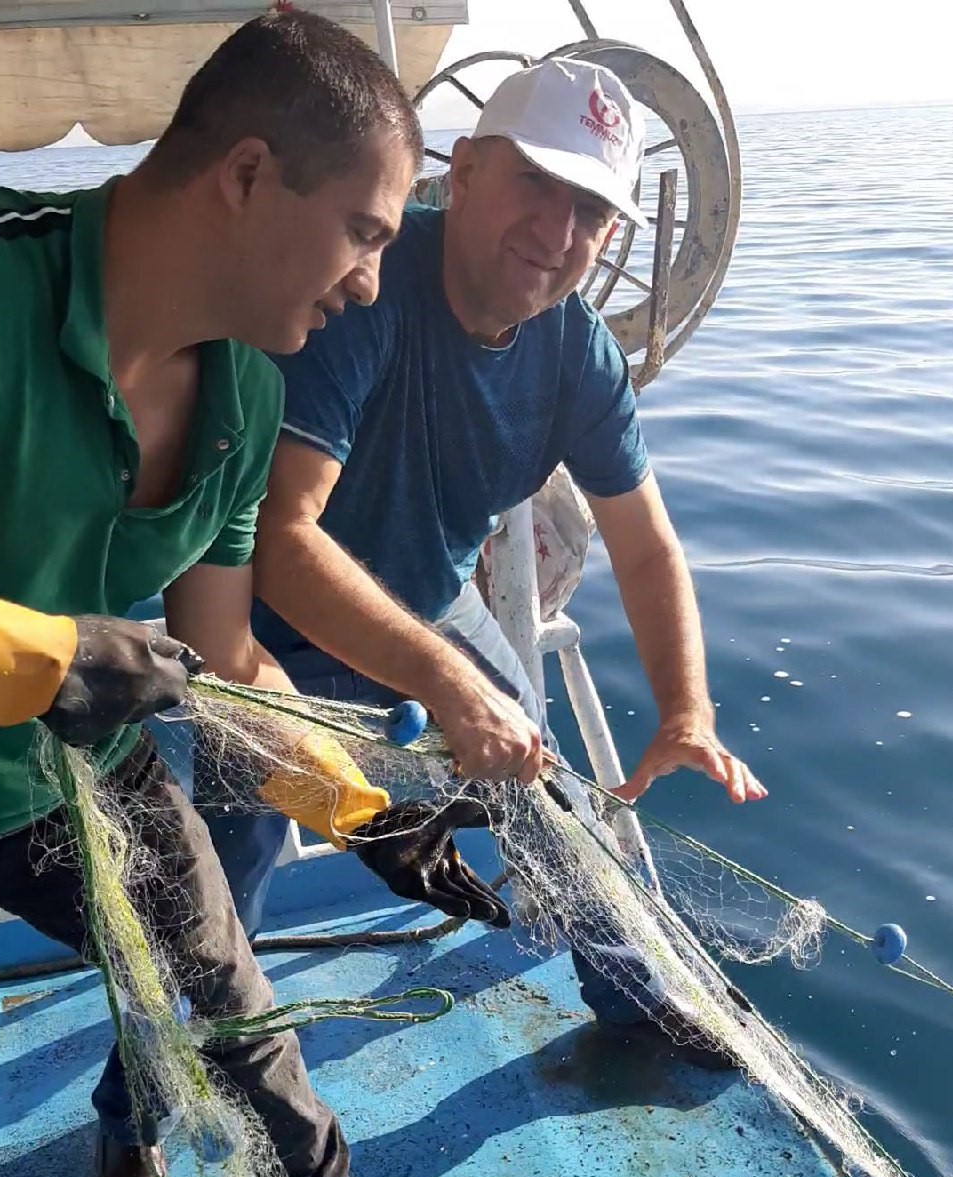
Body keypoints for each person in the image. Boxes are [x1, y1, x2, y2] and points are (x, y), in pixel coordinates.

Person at [0, 13, 513, 1177]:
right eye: (364, 232)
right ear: (247, 175)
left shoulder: (246, 398)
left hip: (76, 776)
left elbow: (220, 656)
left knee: (244, 1014)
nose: (372, 281)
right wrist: (24, 655)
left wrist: (360, 806)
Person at [196, 60, 765, 1049]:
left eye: (588, 209)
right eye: (533, 185)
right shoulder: (360, 288)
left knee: (548, 797)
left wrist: (684, 709)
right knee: (215, 890)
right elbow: (281, 541)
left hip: (425, 605)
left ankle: (634, 992)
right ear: (460, 172)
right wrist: (452, 691)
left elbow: (643, 544)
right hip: (254, 633)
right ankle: (141, 1121)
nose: (554, 234)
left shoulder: (574, 351)